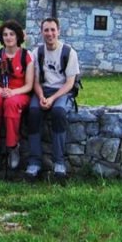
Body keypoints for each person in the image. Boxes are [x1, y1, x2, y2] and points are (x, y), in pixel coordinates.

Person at [26, 17, 80, 179]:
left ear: (58, 31)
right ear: (41, 32)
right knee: (33, 112)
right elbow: (35, 81)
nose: (49, 34)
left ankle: (59, 162)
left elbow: (70, 83)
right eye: (46, 30)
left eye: (52, 30)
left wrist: (53, 98)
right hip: (43, 90)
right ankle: (34, 162)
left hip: (62, 91)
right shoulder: (37, 53)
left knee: (58, 112)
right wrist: (42, 96)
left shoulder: (69, 53)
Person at [0, 20, 33, 169]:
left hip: (20, 92)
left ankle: (13, 147)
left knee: (11, 103)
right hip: (1, 90)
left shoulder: (27, 56)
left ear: (18, 36)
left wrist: (13, 92)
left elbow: (29, 85)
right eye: (5, 34)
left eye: (12, 34)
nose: (8, 37)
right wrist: (1, 91)